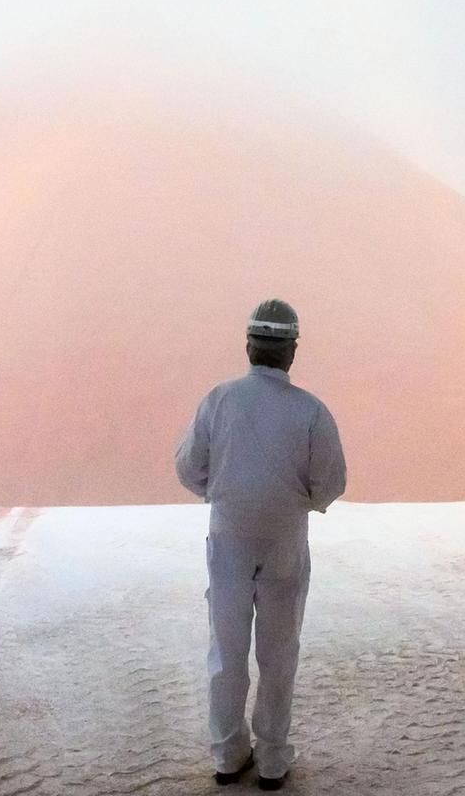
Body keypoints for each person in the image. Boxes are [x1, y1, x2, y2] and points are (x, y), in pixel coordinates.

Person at [176, 299, 347, 791]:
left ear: (249, 347)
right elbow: (330, 483)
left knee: (226, 650)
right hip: (285, 542)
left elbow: (190, 467)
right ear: (292, 351)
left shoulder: (219, 399)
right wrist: (298, 501)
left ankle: (229, 756)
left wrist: (222, 491)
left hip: (228, 537)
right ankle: (272, 760)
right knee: (279, 651)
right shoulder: (311, 410)